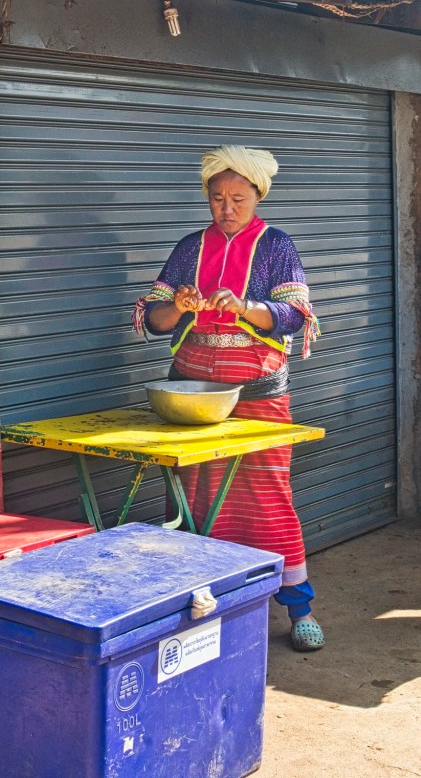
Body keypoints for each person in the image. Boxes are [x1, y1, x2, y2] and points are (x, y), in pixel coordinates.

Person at [132, 144, 324, 652]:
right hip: (191, 397)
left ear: (258, 195)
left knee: (269, 497)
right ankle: (203, 603)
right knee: (192, 498)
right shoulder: (189, 248)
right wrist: (177, 305)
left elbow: (294, 317)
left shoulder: (277, 245)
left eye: (238, 197)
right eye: (217, 197)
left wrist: (245, 307)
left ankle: (298, 605)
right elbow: (151, 319)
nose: (227, 207)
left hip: (259, 395)